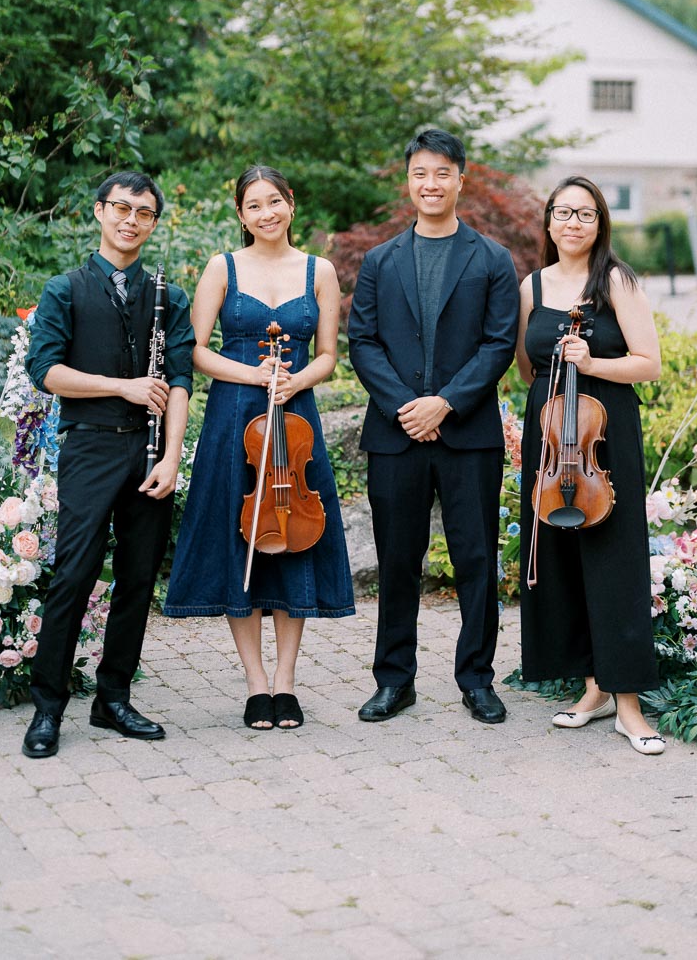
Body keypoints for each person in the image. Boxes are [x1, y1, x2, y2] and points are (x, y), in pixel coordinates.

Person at [164, 165, 354, 730]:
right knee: (238, 535)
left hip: (294, 416)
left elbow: (326, 354)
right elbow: (196, 350)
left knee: (292, 537)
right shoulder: (222, 268)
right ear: (241, 215)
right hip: (234, 418)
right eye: (254, 205)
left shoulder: (320, 270)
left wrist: (297, 381)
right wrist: (254, 376)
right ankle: (254, 685)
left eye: (274, 201)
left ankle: (287, 684)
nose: (266, 213)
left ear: (291, 204)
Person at [347, 129, 519, 724]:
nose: (431, 183)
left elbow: (498, 345)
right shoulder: (380, 261)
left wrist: (444, 403)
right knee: (399, 560)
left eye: (442, 173)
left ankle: (476, 679)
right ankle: (395, 680)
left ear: (460, 180)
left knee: (476, 558)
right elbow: (362, 343)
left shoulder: (492, 259)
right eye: (421, 173)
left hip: (468, 435)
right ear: (409, 180)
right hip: (397, 436)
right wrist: (406, 407)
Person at [22, 172, 194, 758]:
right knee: (74, 574)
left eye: (143, 213)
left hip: (150, 452)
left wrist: (172, 457)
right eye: (120, 208)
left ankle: (112, 699)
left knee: (138, 576)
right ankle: (48, 707)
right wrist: (121, 387)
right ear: (99, 212)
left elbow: (180, 381)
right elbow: (45, 371)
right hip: (91, 446)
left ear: (152, 223)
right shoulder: (64, 289)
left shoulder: (169, 295)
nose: (131, 220)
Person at [516, 175, 665, 755]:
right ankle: (592, 688)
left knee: (614, 560)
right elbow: (528, 369)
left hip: (605, 438)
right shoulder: (532, 285)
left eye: (585, 213)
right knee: (562, 562)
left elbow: (648, 363)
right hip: (553, 437)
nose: (572, 222)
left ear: (600, 223)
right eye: (562, 212)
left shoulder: (616, 281)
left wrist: (593, 363)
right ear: (548, 222)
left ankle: (630, 704)